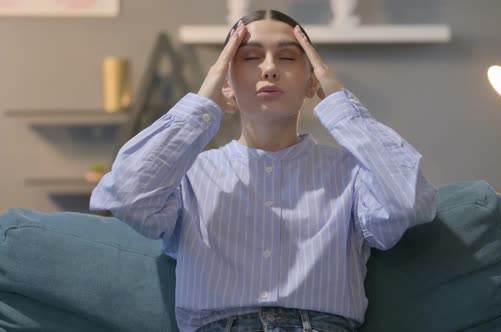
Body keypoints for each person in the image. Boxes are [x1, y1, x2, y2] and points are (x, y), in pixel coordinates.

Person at [90, 9, 437, 332]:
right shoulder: (189, 175)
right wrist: (205, 97)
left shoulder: (352, 174)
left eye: (287, 58)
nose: (269, 69)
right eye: (250, 58)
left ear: (311, 82)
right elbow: (126, 195)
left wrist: (339, 103)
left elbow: (407, 205)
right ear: (226, 83)